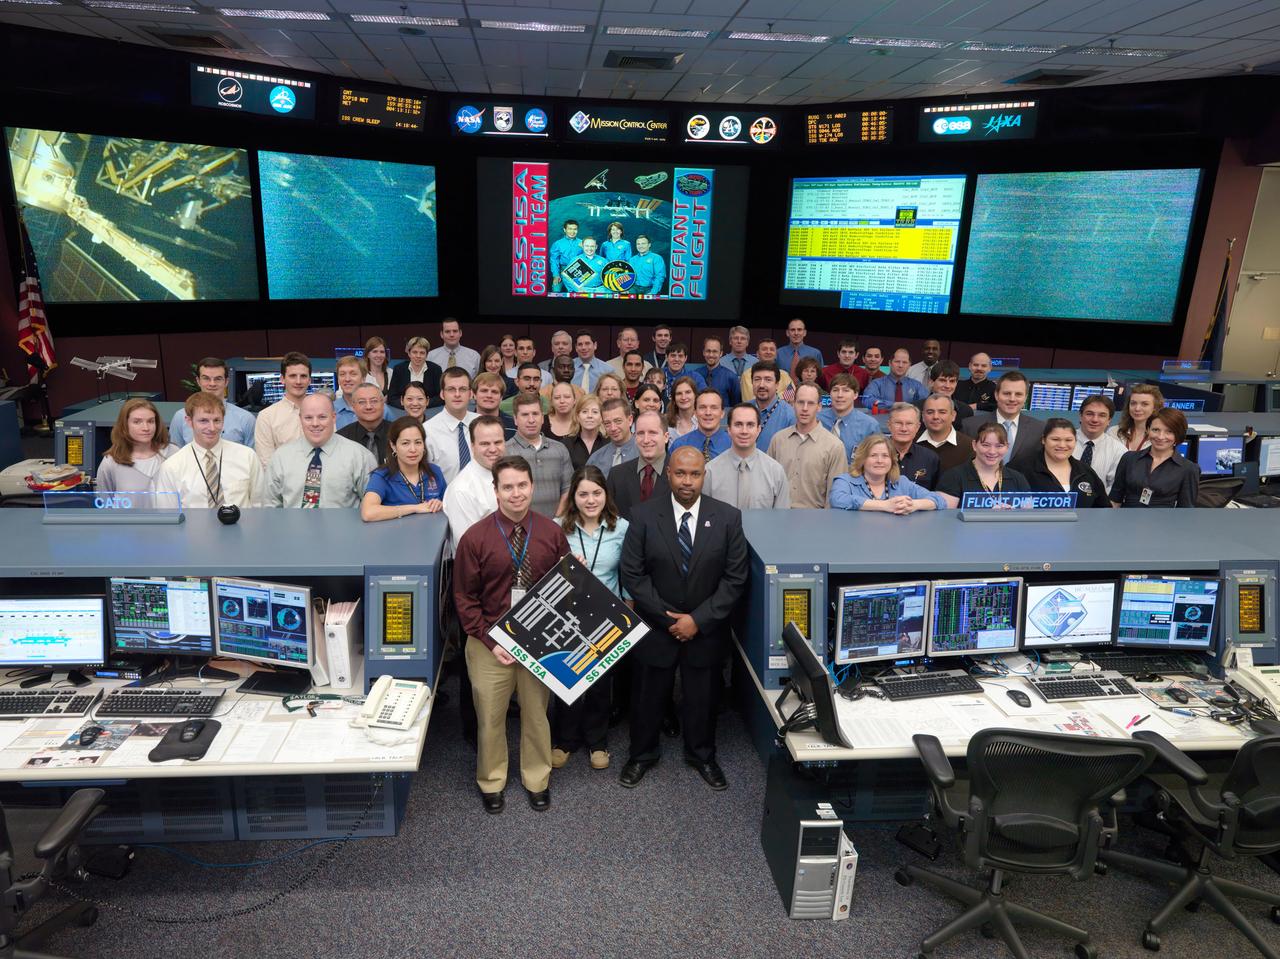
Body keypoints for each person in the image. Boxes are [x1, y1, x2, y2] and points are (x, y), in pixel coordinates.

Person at [618, 446, 748, 791]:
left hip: (705, 630)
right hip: (657, 627)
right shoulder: (643, 515)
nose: (687, 481)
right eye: (680, 473)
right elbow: (633, 574)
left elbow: (735, 579)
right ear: (668, 474)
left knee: (703, 699)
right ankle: (641, 755)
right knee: (647, 698)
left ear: (704, 476)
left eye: (694, 474)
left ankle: (702, 755)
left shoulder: (728, 517)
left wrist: (697, 620)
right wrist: (669, 619)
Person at [454, 456, 569, 813]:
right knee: (490, 716)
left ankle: (537, 778)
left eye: (522, 485)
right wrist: (492, 641)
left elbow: (564, 592)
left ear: (532, 487)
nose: (516, 493)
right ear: (496, 491)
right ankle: (492, 781)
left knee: (537, 714)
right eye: (508, 487)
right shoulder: (475, 538)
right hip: (489, 642)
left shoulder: (551, 533)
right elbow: (464, 598)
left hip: (538, 645)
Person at [551, 466, 629, 772]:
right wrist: (564, 566)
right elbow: (545, 573)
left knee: (599, 684)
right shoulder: (558, 528)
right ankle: (565, 740)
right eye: (583, 494)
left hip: (606, 617)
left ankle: (598, 741)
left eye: (596, 493)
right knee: (566, 679)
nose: (590, 500)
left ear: (606, 495)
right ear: (573, 497)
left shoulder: (621, 528)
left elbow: (627, 573)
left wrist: (627, 609)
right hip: (567, 615)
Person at [266, 393, 376, 508]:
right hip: (293, 526)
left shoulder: (360, 456)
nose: (315, 424)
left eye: (322, 417)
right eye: (308, 418)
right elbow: (271, 507)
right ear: (300, 419)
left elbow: (372, 508)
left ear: (334, 418)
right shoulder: (281, 458)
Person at [157, 393, 262, 508]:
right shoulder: (172, 467)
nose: (212, 428)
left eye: (217, 420)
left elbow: (260, 504)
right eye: (203, 421)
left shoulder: (247, 456)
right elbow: (170, 516)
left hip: (243, 525)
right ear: (189, 421)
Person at [767, 383, 847, 509]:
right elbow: (767, 484)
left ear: (819, 407)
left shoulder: (834, 446)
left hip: (815, 521)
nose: (805, 408)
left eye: (810, 403)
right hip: (779, 518)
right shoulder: (778, 440)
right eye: (800, 402)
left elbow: (834, 495)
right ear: (793, 404)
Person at [831, 434, 947, 513]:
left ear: (892, 460)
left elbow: (940, 501)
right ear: (862, 459)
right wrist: (885, 505)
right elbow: (837, 499)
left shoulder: (901, 482)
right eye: (873, 455)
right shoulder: (845, 481)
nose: (880, 461)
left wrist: (914, 505)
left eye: (885, 456)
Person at [1011, 418, 1110, 509]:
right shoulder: (1021, 468)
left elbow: (1104, 509)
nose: (1062, 445)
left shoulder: (1086, 472)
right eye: (1055, 439)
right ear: (1043, 440)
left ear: (1075, 441)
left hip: (1082, 527)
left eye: (1068, 440)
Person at [705, 404, 790, 509]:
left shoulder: (776, 472)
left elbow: (781, 519)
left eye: (750, 425)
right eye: (738, 424)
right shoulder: (710, 472)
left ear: (758, 429)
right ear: (729, 430)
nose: (744, 431)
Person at [361, 417, 447, 521]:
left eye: (418, 442)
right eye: (405, 443)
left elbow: (449, 505)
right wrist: (415, 508)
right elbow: (368, 513)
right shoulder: (382, 476)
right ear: (393, 446)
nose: (413, 449)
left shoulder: (435, 471)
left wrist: (441, 505)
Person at [1110, 407, 1199, 508]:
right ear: (1148, 430)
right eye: (1155, 430)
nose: (1161, 437)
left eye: (1169, 431)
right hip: (1126, 520)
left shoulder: (1189, 469)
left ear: (1178, 434)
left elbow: (1185, 512)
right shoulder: (1129, 458)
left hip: (1163, 522)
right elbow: (1115, 500)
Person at [442, 416, 507, 544]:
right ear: (472, 446)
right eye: (485, 444)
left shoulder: (507, 476)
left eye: (498, 442)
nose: (493, 449)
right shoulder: (462, 490)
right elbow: (469, 546)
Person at [507, 393, 572, 518]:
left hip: (555, 527)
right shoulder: (505, 452)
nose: (531, 420)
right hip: (519, 527)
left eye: (535, 414)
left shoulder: (560, 449)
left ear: (542, 417)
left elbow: (567, 489)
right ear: (515, 419)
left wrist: (556, 521)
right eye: (525, 415)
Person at [168, 357, 255, 449]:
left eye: (218, 379)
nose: (212, 384)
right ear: (198, 381)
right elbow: (175, 455)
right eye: (206, 378)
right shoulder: (181, 417)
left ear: (226, 382)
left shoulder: (246, 419)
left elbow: (253, 458)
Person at [96, 398, 178, 494]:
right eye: (137, 422)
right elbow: (105, 503)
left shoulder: (173, 453)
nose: (146, 428)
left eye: (150, 421)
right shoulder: (110, 463)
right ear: (125, 425)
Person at [963, 370, 1045, 463]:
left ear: (1025, 398)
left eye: (1018, 394)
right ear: (996, 395)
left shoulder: (1039, 429)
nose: (1012, 399)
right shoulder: (970, 426)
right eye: (1007, 393)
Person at [937, 422, 1031, 500]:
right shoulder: (953, 477)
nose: (992, 452)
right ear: (974, 445)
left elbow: (1027, 517)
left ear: (1007, 447)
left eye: (999, 446)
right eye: (986, 445)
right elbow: (945, 518)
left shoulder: (1018, 479)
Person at [607, 411, 669, 519]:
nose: (646, 440)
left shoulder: (680, 474)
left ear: (666, 437)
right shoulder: (616, 475)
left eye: (652, 433)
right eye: (640, 433)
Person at [254, 351, 310, 468]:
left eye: (303, 376)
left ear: (309, 380)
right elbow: (267, 463)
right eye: (292, 376)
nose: (298, 381)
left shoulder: (323, 411)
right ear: (282, 379)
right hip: (284, 484)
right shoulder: (266, 417)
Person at [423, 367, 478, 483]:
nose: (457, 394)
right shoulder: (427, 431)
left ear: (471, 394)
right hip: (445, 499)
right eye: (451, 389)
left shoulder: (483, 424)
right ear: (442, 394)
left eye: (462, 389)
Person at [819, 373, 880, 462]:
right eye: (835, 390)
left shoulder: (869, 426)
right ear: (830, 394)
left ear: (855, 395)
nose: (840, 395)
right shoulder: (816, 420)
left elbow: (876, 460)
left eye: (845, 390)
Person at [1076, 394, 1126, 493]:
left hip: (1098, 505)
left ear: (1109, 420)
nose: (1095, 419)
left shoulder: (1119, 450)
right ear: (1080, 416)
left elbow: (1115, 486)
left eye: (1102, 415)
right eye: (1089, 414)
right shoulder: (1062, 443)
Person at [886, 403, 941, 489]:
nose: (904, 429)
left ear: (917, 427)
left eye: (909, 424)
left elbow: (935, 495)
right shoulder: (873, 455)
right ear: (889, 425)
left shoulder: (930, 458)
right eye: (898, 423)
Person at [917, 392, 975, 474]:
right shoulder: (911, 442)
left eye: (942, 412)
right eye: (930, 412)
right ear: (923, 416)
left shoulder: (970, 446)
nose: (935, 417)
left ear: (953, 415)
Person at [749, 360, 796, 452]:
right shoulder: (742, 410)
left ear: (777, 385)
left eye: (768, 380)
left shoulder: (790, 415)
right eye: (757, 379)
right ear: (752, 383)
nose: (761, 385)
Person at [670, 389, 729, 460]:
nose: (708, 413)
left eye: (714, 408)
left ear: (722, 413)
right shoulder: (679, 445)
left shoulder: (734, 445)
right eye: (702, 407)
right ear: (695, 413)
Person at [388, 336, 443, 410]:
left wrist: (422, 405)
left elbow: (441, 397)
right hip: (404, 412)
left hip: (429, 411)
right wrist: (409, 406)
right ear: (409, 353)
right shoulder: (399, 369)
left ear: (426, 355)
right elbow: (392, 398)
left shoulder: (435, 369)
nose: (418, 356)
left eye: (422, 353)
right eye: (414, 352)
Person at [339, 383, 393, 457]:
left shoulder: (399, 433)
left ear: (383, 403)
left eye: (374, 401)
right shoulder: (341, 438)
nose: (368, 406)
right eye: (362, 402)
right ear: (353, 406)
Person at [862, 349, 928, 409]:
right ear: (890, 363)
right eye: (897, 361)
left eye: (904, 362)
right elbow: (867, 400)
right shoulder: (877, 384)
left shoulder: (917, 385)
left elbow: (927, 403)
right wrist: (893, 405)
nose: (900, 365)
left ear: (909, 365)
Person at [587, 399, 637, 477]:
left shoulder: (643, 453)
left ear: (630, 420)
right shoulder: (596, 459)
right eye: (607, 423)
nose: (613, 428)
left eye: (618, 421)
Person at [1109, 384, 1164, 452]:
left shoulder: (1161, 437)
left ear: (1155, 408)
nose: (1137, 408)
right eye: (1133, 403)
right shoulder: (1114, 432)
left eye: (1144, 404)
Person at [922, 360, 973, 425]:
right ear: (931, 382)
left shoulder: (966, 411)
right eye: (942, 380)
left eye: (952, 381)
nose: (947, 386)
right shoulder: (916, 409)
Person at [563, 393, 605, 471]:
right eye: (584, 412)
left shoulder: (609, 443)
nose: (589, 416)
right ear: (578, 416)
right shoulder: (566, 444)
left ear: (601, 417)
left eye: (595, 412)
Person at [472, 372, 518, 440]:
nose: (489, 395)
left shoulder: (514, 425)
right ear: (474, 395)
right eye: (484, 391)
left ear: (501, 397)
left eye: (494, 392)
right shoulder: (464, 424)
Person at [700, 336, 740, 408]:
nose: (711, 355)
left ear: (721, 353)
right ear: (703, 352)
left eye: (715, 351)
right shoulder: (695, 375)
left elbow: (736, 406)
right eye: (708, 351)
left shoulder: (731, 377)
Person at [332, 355, 365, 430]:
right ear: (338, 379)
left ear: (363, 378)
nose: (347, 379)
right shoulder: (329, 410)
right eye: (342, 374)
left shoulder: (379, 410)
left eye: (353, 374)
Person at [549, 219, 583, 292]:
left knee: (578, 292)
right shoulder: (557, 244)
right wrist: (556, 275)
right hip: (562, 270)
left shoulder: (582, 243)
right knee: (556, 290)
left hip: (577, 271)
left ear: (577, 230)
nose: (572, 232)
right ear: (565, 230)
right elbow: (554, 260)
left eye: (575, 229)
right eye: (570, 229)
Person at [665, 376, 698, 440]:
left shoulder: (703, 421)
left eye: (688, 392)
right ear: (674, 398)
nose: (683, 397)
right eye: (679, 393)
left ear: (695, 395)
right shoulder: (665, 422)